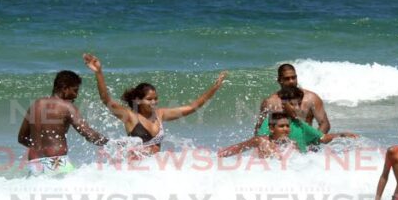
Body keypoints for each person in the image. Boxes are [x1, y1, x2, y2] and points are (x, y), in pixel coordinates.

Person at [83, 53, 227, 155]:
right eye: (149, 99)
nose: (154, 102)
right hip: (135, 168)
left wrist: (214, 88)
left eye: (156, 98)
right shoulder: (130, 116)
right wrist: (99, 72)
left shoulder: (160, 114)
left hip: (155, 169)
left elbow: (192, 107)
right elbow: (106, 100)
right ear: (138, 100)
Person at [17, 70, 109, 175]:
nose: (76, 95)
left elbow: (21, 138)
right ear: (65, 88)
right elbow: (88, 134)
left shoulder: (35, 105)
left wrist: (40, 148)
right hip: (57, 162)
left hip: (35, 162)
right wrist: (110, 143)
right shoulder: (67, 107)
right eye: (75, 90)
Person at [255, 87, 356, 152]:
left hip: (302, 165)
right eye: (292, 104)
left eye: (298, 104)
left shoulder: (300, 124)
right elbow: (260, 142)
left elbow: (323, 138)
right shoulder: (272, 121)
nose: (297, 108)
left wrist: (342, 135)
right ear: (283, 104)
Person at [257, 63, 330, 132]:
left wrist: (314, 139)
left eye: (293, 77)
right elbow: (260, 129)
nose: (291, 81)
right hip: (282, 144)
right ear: (279, 80)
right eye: (287, 79)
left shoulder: (311, 98)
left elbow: (325, 124)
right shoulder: (270, 102)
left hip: (308, 144)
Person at [219, 112, 296, 159]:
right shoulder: (261, 141)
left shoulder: (290, 144)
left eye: (287, 126)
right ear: (272, 128)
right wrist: (218, 157)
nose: (286, 129)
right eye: (281, 126)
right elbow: (239, 148)